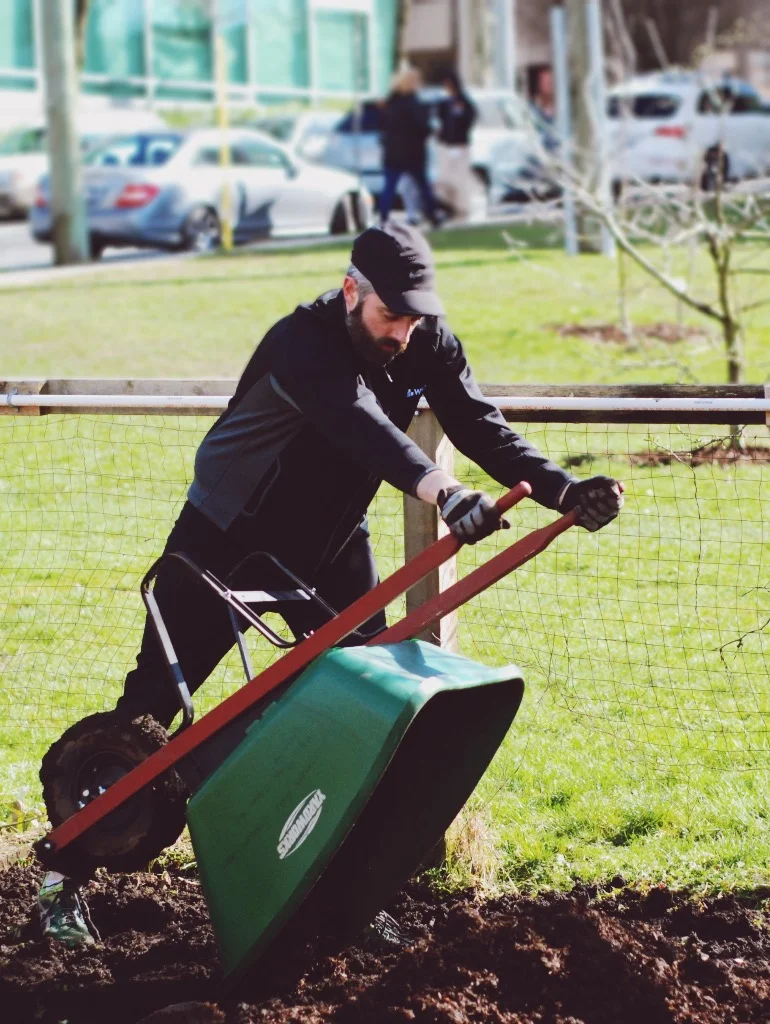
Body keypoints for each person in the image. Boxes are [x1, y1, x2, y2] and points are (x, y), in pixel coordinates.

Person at [37, 223, 624, 949]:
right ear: (353, 291)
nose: (402, 334)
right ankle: (62, 878)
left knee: (371, 702)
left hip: (328, 545)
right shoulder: (303, 343)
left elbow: (478, 422)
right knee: (147, 718)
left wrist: (567, 492)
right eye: (390, 316)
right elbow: (362, 426)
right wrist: (445, 494)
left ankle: (340, 892)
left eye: (414, 318)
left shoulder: (426, 339)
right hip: (227, 541)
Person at [378, 67, 442, 228]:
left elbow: (383, 127)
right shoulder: (414, 103)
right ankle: (432, 215)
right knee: (423, 186)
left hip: (392, 152)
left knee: (389, 187)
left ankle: (383, 217)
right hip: (412, 153)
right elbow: (421, 127)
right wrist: (431, 131)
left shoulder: (390, 104)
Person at [435, 70, 478, 222]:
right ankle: (448, 205)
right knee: (445, 177)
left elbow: (470, 118)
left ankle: (462, 207)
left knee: (460, 177)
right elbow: (439, 119)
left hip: (460, 145)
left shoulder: (464, 102)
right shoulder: (444, 102)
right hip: (446, 144)